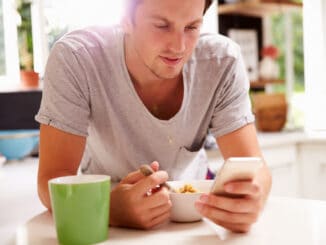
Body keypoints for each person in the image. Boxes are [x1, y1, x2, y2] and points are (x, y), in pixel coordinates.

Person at [36, 0, 272, 232]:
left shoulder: (221, 61)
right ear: (126, 18)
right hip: (104, 227)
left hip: (192, 222)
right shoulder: (76, 58)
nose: (179, 47)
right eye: (161, 26)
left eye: (191, 27)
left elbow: (256, 168)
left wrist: (253, 198)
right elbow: (52, 181)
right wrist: (109, 208)